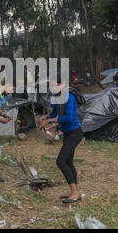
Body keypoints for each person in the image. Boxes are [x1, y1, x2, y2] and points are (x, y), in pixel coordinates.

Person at [39, 74, 84, 204]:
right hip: (68, 133)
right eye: (52, 85)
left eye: (56, 85)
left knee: (61, 161)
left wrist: (50, 121)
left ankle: (75, 193)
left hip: (75, 133)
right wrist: (46, 117)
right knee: (68, 161)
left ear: (64, 85)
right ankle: (74, 192)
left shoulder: (69, 97)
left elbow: (68, 118)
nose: (54, 87)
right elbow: (54, 113)